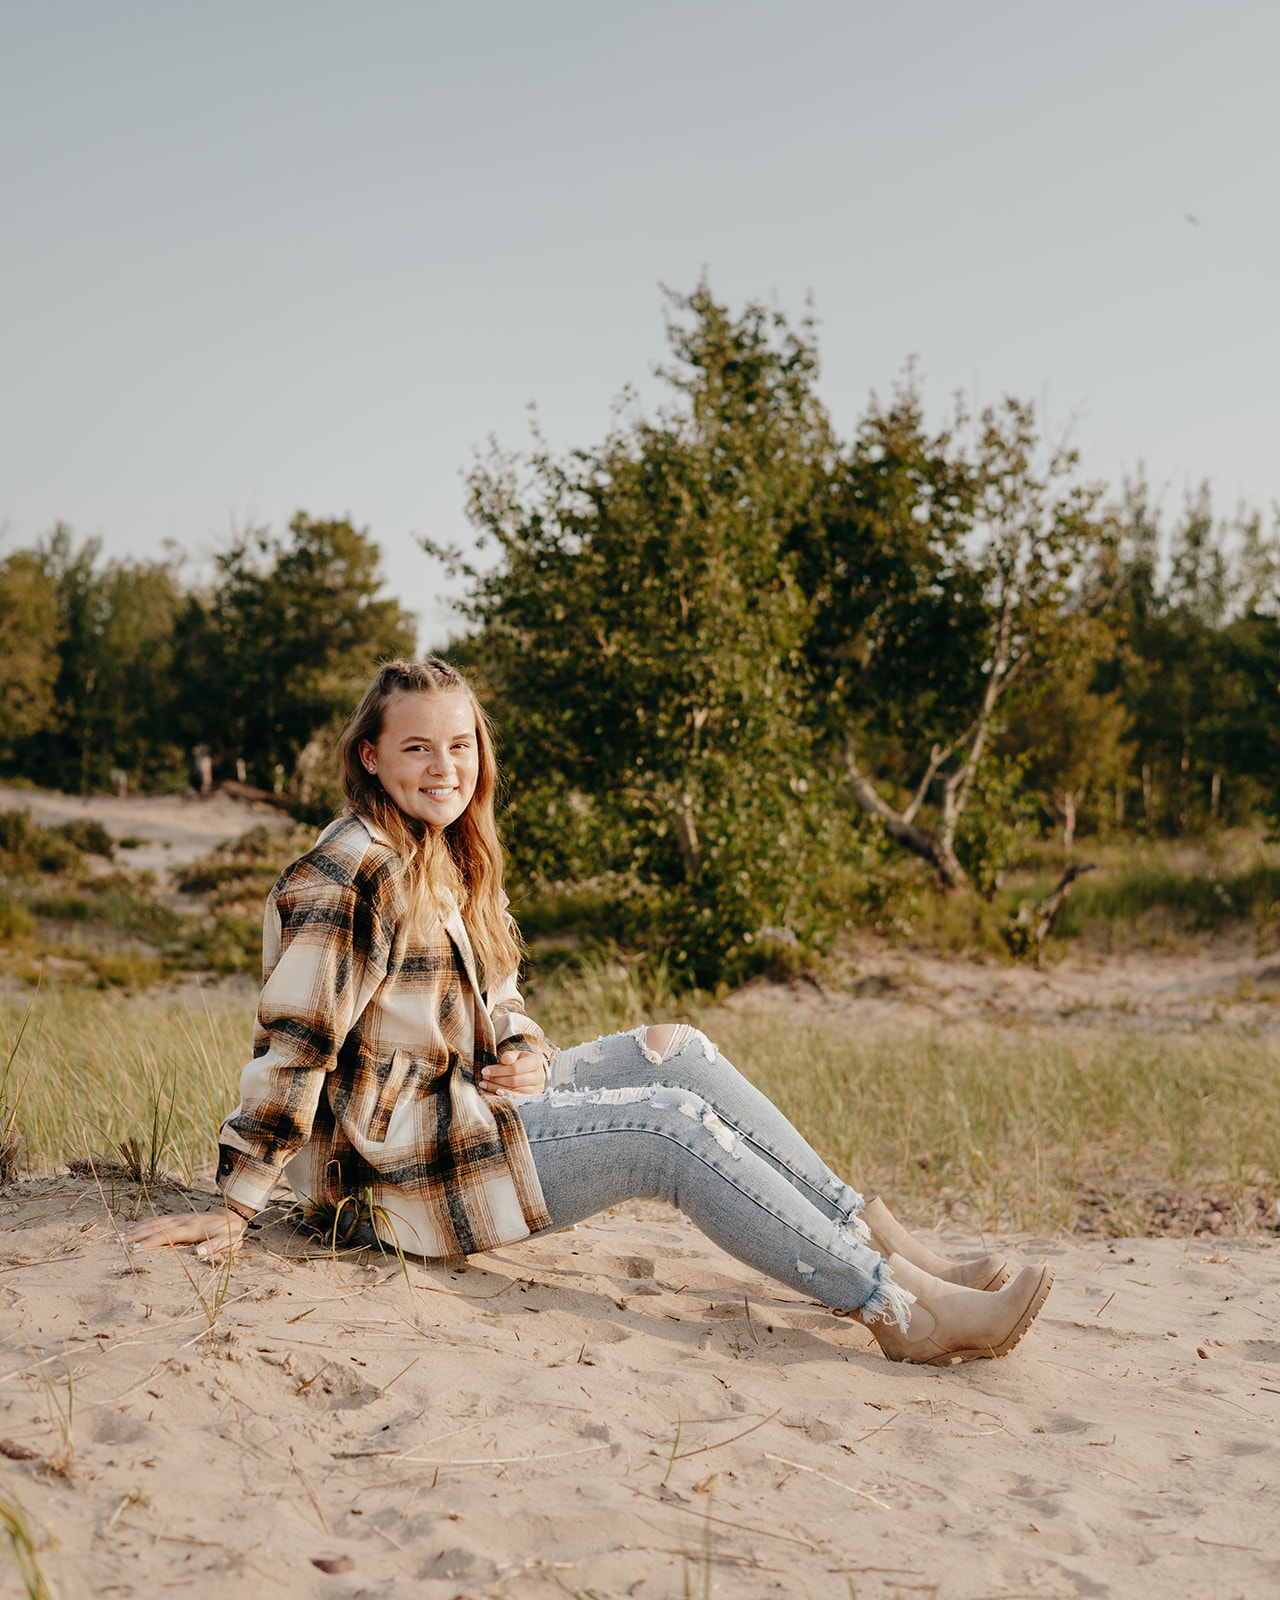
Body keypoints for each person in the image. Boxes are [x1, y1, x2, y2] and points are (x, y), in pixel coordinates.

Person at [125, 659, 1053, 1365]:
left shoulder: (446, 851)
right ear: (370, 756)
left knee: (673, 1051)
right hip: (391, 1170)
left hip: (461, 1099)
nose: (444, 766)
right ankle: (900, 1310)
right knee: (665, 1129)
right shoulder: (352, 869)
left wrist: (524, 1050)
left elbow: (500, 997)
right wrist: (238, 1202)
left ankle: (893, 1248)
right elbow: (298, 1042)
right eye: (416, 747)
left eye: (460, 745)